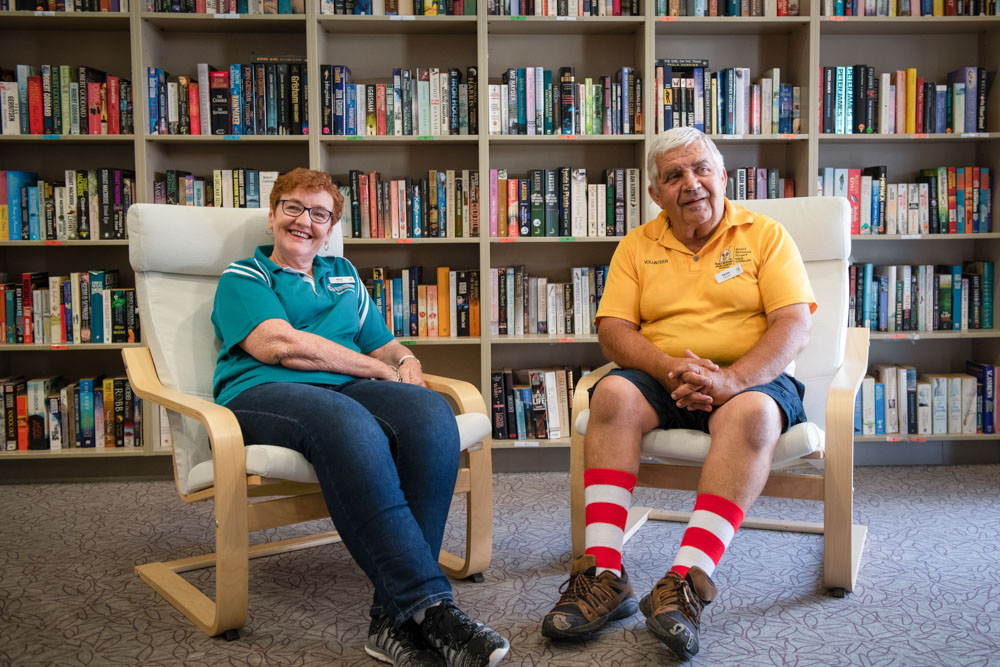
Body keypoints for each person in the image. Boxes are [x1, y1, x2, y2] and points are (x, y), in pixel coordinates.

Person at [211, 168, 510, 667]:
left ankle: (391, 621)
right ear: (272, 216)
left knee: (433, 417)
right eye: (293, 207)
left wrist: (407, 362)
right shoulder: (245, 274)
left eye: (320, 214)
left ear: (330, 228)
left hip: (348, 387)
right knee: (351, 425)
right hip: (262, 391)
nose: (305, 221)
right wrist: (378, 369)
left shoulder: (344, 275)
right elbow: (280, 345)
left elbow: (386, 345)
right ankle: (431, 607)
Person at [541, 128, 815, 660]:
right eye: (674, 176)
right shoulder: (637, 245)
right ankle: (603, 574)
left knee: (755, 416)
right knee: (611, 397)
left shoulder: (766, 236)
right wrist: (670, 370)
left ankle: (685, 583)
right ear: (656, 193)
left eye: (701, 169)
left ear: (722, 175)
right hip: (661, 375)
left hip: (748, 375)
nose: (691, 184)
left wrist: (732, 380)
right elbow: (614, 330)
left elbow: (793, 324)